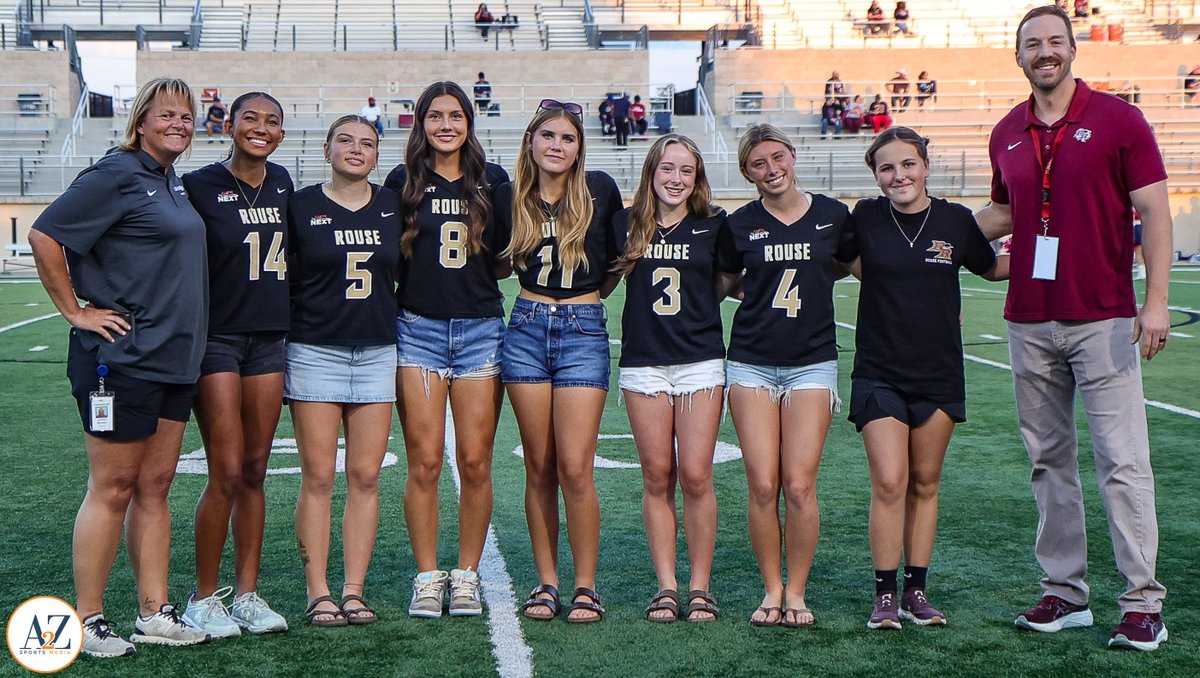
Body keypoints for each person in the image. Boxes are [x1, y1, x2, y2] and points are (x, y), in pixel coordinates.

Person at [975, 5, 1172, 651]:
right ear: (1019, 56)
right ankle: (1065, 594)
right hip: (1029, 320)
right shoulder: (1006, 131)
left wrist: (1156, 301)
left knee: (1123, 463)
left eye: (1055, 41)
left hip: (1105, 318)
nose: (1045, 52)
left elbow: (1154, 213)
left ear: (1071, 49)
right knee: (1048, 463)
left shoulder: (1120, 119)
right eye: (1033, 44)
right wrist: (929, 235)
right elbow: (1004, 214)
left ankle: (1143, 603)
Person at [28, 76, 212, 658]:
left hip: (173, 360)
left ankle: (154, 611)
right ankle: (88, 619)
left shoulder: (168, 180)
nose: (178, 124)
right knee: (112, 488)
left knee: (155, 486)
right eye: (167, 115)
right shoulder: (115, 173)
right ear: (141, 119)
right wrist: (75, 311)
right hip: (121, 360)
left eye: (187, 116)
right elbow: (43, 236)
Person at [847, 127, 1007, 630]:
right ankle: (885, 594)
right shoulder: (865, 217)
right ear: (876, 176)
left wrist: (1055, 251)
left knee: (925, 482)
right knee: (890, 481)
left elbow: (992, 269)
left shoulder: (957, 221)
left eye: (908, 164)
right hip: (879, 370)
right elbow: (835, 261)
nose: (899, 175)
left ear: (926, 166)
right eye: (887, 168)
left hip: (938, 371)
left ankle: (917, 590)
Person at [382, 82, 511, 619]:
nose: (446, 125)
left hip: (481, 329)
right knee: (426, 460)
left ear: (469, 122)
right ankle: (428, 576)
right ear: (421, 123)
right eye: (435, 116)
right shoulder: (402, 180)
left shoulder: (493, 179)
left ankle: (467, 574)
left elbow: (505, 258)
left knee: (476, 460)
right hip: (418, 330)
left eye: (455, 116)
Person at [718, 124, 855, 628]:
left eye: (778, 158)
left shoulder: (832, 215)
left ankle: (796, 591)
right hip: (751, 359)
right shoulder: (740, 224)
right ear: (747, 172)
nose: (772, 170)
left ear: (793, 156)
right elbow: (727, 284)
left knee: (798, 486)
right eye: (759, 163)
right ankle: (771, 589)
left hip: (812, 361)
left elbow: (852, 265)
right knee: (762, 483)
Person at [497, 99, 623, 624]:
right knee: (540, 466)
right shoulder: (509, 195)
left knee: (576, 467)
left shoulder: (600, 188)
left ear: (579, 147)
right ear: (531, 141)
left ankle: (585, 585)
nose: (556, 145)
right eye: (547, 135)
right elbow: (498, 265)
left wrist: (584, 308)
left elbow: (615, 265)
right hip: (525, 326)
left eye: (567, 138)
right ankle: (547, 582)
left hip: (582, 330)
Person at [180, 92, 292, 638]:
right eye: (251, 117)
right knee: (223, 469)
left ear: (281, 135)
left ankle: (247, 593)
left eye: (272, 121)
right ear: (229, 123)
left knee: (254, 470)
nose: (261, 128)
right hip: (218, 339)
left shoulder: (284, 184)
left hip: (269, 340)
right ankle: (203, 597)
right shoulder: (199, 185)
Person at [287, 115, 401, 628]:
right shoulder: (301, 204)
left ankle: (354, 590)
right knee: (317, 477)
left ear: (378, 155)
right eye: (346, 141)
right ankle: (319, 591)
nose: (357, 150)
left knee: (366, 476)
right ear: (327, 147)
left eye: (368, 144)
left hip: (377, 350)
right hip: (315, 349)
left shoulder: (393, 204)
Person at [612, 135, 728, 624]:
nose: (676, 179)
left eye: (686, 170)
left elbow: (736, 282)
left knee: (697, 475)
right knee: (657, 475)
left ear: (696, 176)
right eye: (667, 169)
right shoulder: (625, 223)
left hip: (700, 360)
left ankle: (700, 586)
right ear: (651, 172)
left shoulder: (715, 224)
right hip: (644, 362)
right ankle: (667, 585)